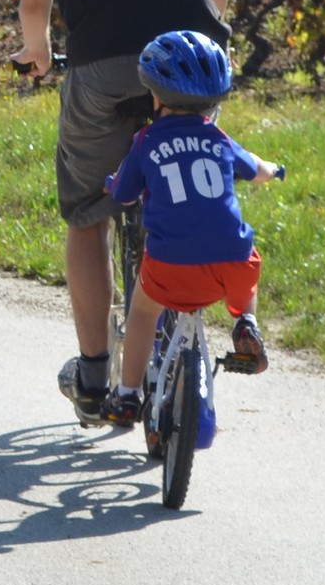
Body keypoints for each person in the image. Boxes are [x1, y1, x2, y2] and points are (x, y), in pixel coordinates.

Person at [14, 0, 231, 425]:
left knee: (88, 214)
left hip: (105, 69)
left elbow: (35, 6)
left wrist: (40, 54)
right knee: (188, 184)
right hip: (190, 66)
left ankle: (91, 374)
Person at [99, 30, 275, 423]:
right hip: (229, 266)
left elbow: (125, 195)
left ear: (155, 97)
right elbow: (257, 170)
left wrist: (112, 182)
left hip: (171, 266)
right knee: (247, 252)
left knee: (144, 312)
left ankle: (127, 396)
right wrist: (275, 170)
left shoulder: (146, 141)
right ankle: (246, 322)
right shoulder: (219, 139)